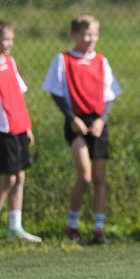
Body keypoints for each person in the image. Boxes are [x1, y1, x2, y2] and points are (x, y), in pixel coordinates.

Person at [42, 14, 122, 244]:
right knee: (85, 176)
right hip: (76, 123)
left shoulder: (102, 61)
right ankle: (72, 224)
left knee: (99, 177)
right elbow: (55, 92)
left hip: (97, 123)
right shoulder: (63, 59)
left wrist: (102, 120)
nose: (91, 39)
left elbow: (110, 96)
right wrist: (72, 119)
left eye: (95, 34)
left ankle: (98, 230)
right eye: (86, 34)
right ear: (74, 35)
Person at [0, 20, 41, 244]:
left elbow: (18, 96)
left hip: (19, 129)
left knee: (20, 176)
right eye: (5, 39)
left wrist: (28, 127)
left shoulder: (11, 63)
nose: (9, 43)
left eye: (11, 39)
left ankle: (15, 227)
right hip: (2, 132)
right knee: (8, 178)